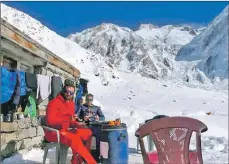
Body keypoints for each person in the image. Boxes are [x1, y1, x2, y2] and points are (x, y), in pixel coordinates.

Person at [44, 79, 97, 164]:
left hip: (66, 129)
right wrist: (68, 120)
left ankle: (77, 159)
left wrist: (77, 123)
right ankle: (91, 162)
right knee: (74, 138)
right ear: (63, 90)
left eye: (71, 93)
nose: (68, 94)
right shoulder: (54, 103)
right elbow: (50, 121)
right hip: (54, 131)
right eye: (66, 91)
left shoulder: (71, 104)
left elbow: (71, 120)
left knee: (88, 132)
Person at [77, 93, 105, 162]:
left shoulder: (96, 108)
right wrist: (83, 118)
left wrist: (98, 118)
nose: (89, 101)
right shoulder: (82, 107)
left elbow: (103, 117)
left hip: (95, 125)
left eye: (91, 100)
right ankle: (83, 156)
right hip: (86, 125)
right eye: (88, 100)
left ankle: (97, 156)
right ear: (86, 100)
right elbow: (77, 117)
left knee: (97, 138)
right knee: (85, 140)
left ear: (92, 100)